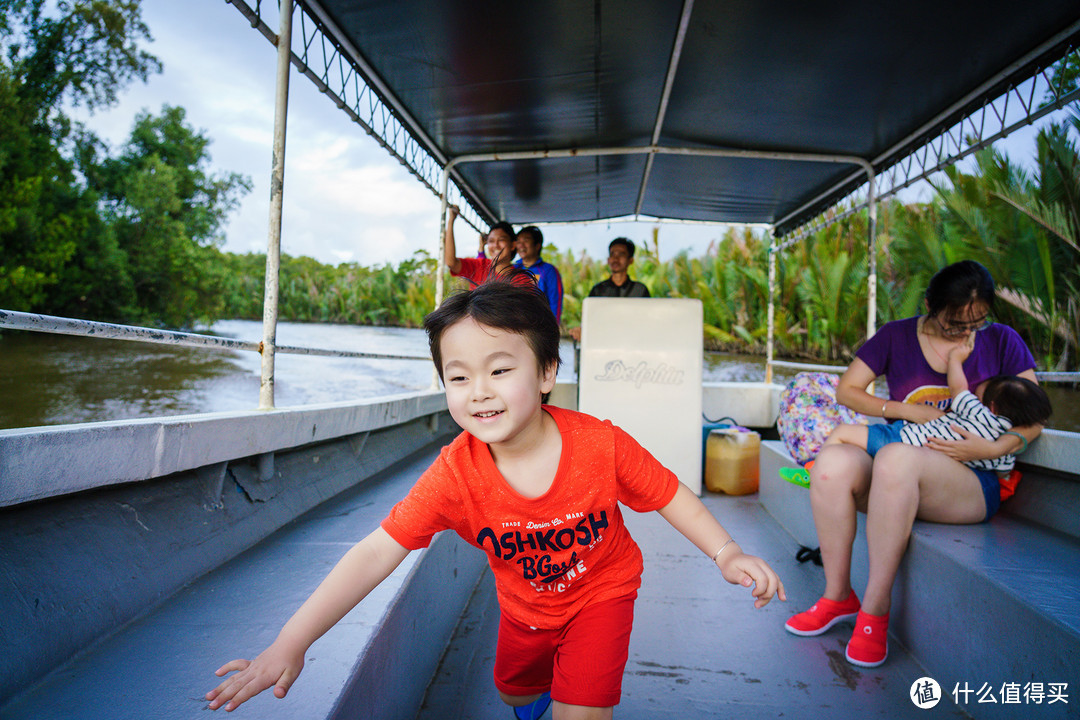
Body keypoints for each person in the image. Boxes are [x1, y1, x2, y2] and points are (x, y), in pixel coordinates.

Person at [206, 273, 785, 720]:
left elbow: (668, 495)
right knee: (517, 689)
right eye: (458, 378)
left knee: (582, 707)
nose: (478, 392)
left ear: (546, 373)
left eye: (500, 370)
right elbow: (376, 551)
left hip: (602, 593)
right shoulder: (455, 475)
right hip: (526, 610)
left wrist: (726, 551)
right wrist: (291, 642)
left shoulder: (601, 445)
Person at [783, 260, 1042, 669]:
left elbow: (1035, 418)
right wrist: (905, 410)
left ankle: (874, 608)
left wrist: (990, 450)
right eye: (955, 323)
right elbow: (849, 392)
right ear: (929, 305)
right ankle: (837, 595)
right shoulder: (896, 336)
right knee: (832, 462)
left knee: (895, 456)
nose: (967, 333)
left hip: (968, 484)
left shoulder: (1004, 341)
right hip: (896, 472)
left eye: (978, 322)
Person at [824, 330, 1051, 472]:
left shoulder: (975, 411)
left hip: (906, 438)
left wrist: (955, 360)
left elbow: (958, 387)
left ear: (990, 406)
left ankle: (816, 471)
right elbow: (1004, 472)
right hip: (940, 466)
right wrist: (994, 452)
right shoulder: (1005, 449)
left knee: (843, 432)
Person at [568, 238, 650, 341]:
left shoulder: (640, 290)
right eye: (612, 254)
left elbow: (647, 323)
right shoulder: (598, 290)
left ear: (631, 260)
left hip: (634, 343)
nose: (615, 259)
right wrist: (579, 330)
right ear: (608, 260)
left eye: (621, 254)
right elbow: (589, 322)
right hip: (604, 344)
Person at [443, 204, 518, 285]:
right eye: (491, 241)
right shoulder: (479, 267)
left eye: (501, 240)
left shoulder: (521, 280)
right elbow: (451, 263)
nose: (496, 245)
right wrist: (451, 221)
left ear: (513, 245)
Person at [514, 225, 564, 323]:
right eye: (518, 242)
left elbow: (555, 302)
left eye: (526, 241)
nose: (521, 245)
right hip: (515, 326)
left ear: (537, 245)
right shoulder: (513, 269)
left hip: (539, 328)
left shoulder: (548, 270)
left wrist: (554, 327)